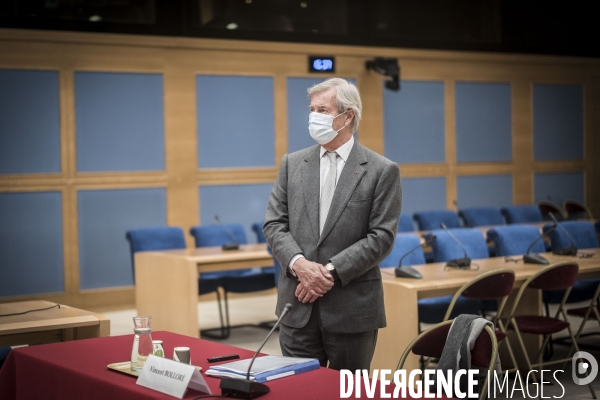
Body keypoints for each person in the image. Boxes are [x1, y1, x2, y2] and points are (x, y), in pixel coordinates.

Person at [263, 77, 402, 371]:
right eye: (312, 109)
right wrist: (300, 266)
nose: (314, 116)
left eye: (323, 110)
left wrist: (327, 273)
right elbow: (274, 224)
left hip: (351, 309)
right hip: (296, 306)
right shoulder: (292, 164)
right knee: (297, 393)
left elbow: (381, 237)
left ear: (347, 116)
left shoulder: (381, 170)